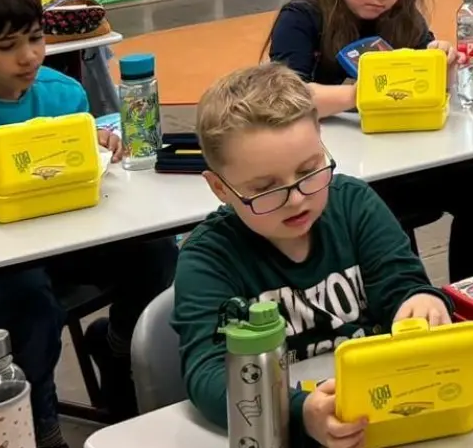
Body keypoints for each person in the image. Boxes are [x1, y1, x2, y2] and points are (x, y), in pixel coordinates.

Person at [0, 0, 176, 446]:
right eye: (7, 46)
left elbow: (83, 163)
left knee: (156, 250)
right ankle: (41, 424)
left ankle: (117, 347)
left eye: (35, 38)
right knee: (24, 297)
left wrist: (102, 144)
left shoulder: (63, 92)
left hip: (65, 237)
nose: (29, 55)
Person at [173, 64, 454, 448]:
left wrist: (420, 302)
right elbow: (209, 374)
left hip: (380, 417)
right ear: (220, 188)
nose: (297, 198)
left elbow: (401, 285)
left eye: (309, 170)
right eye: (265, 188)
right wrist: (296, 411)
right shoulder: (208, 258)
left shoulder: (354, 204)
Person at [265, 0, 473, 280]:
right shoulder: (303, 16)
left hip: (396, 154)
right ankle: (408, 296)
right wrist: (362, 96)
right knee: (380, 209)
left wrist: (439, 62)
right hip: (336, 173)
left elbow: (428, 87)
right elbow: (285, 98)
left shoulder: (400, 13)